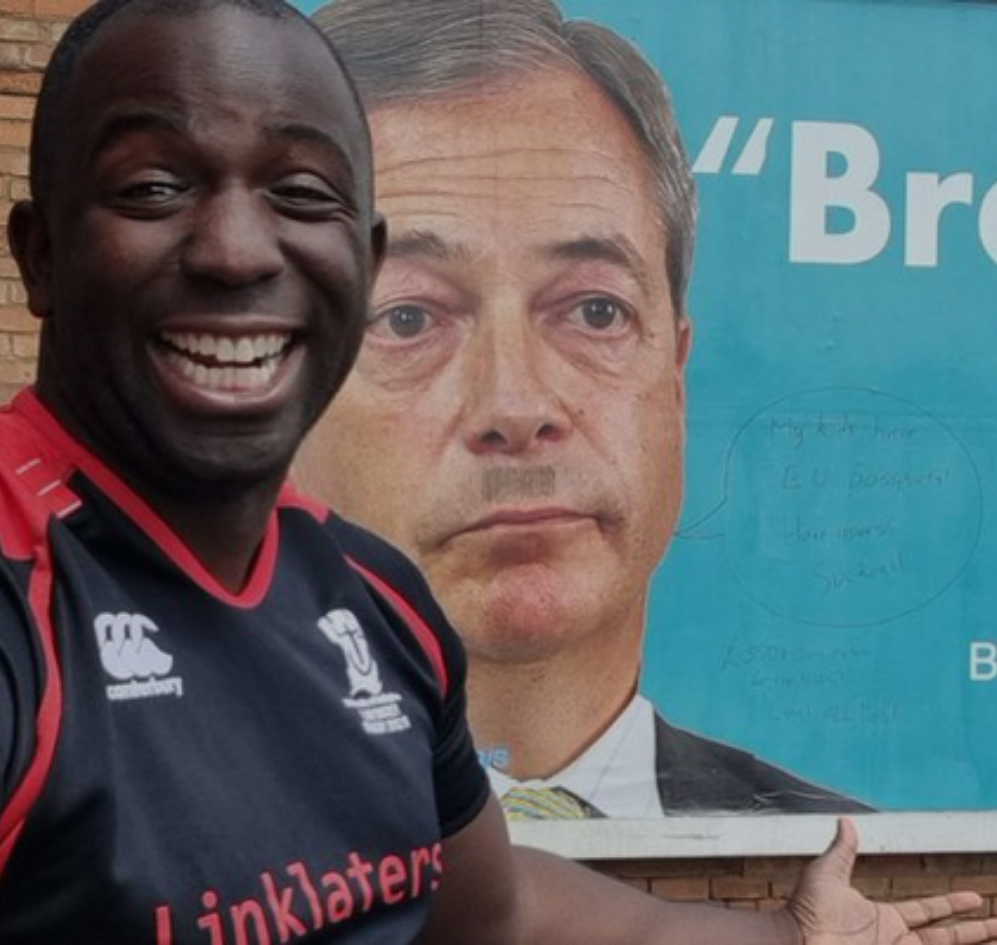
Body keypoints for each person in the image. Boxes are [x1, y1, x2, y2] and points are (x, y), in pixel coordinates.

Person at [0, 2, 997, 942]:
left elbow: (494, 909)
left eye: (302, 195)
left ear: (356, 258)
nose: (236, 249)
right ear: (39, 255)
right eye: (154, 188)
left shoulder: (373, 594)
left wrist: (788, 940)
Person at [292, 0, 865, 819]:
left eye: (596, 311)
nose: (518, 406)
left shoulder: (835, 847)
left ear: (675, 378)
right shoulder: (143, 847)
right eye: (407, 318)